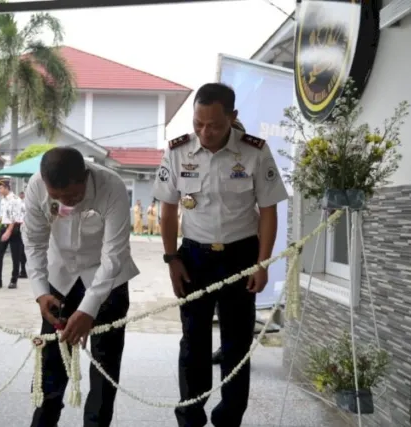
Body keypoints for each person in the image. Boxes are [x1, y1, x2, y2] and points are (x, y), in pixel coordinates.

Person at [153, 83, 288, 427]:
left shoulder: (255, 152)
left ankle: (228, 418)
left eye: (213, 124)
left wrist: (262, 263)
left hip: (240, 256)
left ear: (232, 117)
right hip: (194, 258)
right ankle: (190, 416)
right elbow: (167, 210)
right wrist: (172, 260)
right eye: (198, 123)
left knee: (235, 345)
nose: (204, 132)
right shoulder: (178, 151)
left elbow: (268, 210)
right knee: (193, 342)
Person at [22, 147, 140, 427]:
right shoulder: (36, 186)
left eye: (73, 196)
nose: (66, 202)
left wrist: (88, 309)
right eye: (57, 197)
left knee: (105, 365)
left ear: (85, 177)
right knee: (51, 362)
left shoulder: (112, 187)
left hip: (108, 281)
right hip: (60, 279)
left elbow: (113, 256)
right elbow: (35, 243)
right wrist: (40, 292)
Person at [212, 117, 247, 366]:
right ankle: (224, 348)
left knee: (236, 317)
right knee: (211, 310)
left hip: (240, 250)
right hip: (203, 252)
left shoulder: (250, 159)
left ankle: (231, 351)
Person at [0, 178, 23, 289]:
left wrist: (9, 232)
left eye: (0, 188)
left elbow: (14, 218)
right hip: (4, 228)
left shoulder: (15, 200)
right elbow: (3, 217)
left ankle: (13, 280)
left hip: (14, 230)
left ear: (6, 187)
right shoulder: (3, 200)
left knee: (15, 256)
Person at [18, 191, 28, 279]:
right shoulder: (19, 203)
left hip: (26, 230)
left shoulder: (26, 204)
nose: (21, 196)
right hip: (21, 229)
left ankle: (24, 271)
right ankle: (23, 271)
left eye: (22, 194)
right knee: (21, 253)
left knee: (24, 252)